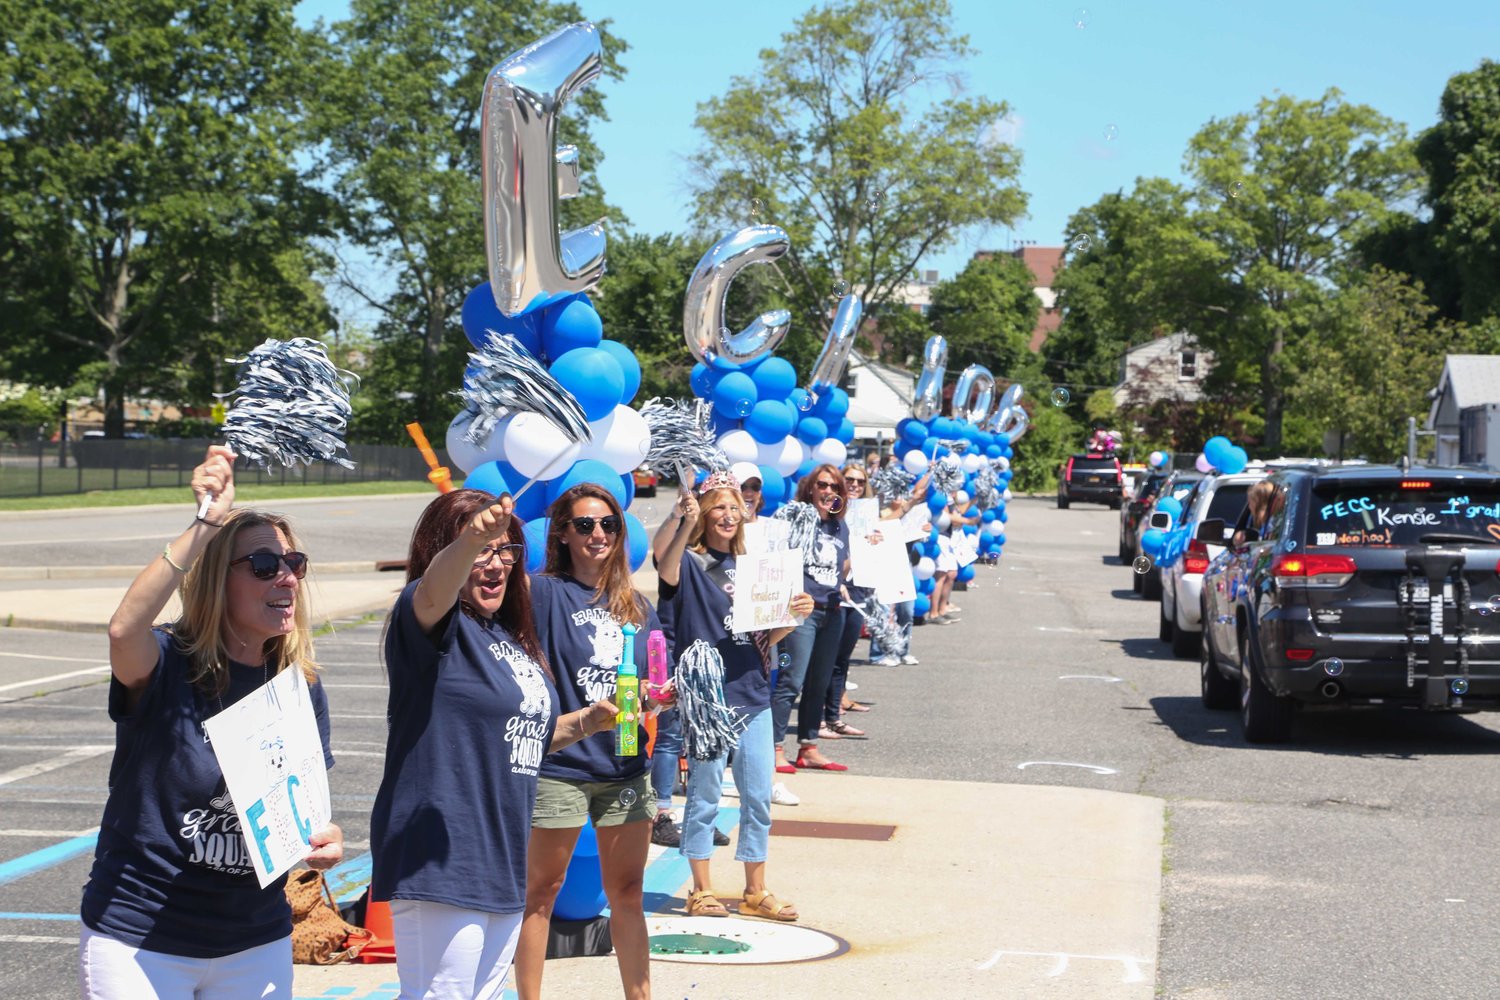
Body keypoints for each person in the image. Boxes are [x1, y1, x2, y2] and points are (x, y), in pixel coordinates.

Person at [80, 444, 343, 999]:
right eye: (265, 566)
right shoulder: (167, 664)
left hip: (255, 941)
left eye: (293, 565)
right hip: (143, 939)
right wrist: (205, 523)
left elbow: (303, 808)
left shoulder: (298, 687)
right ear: (217, 582)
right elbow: (122, 630)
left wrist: (324, 840)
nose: (287, 579)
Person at [369, 489, 618, 1000]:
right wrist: (470, 541)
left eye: (507, 551)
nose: (497, 563)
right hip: (439, 857)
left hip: (502, 857)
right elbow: (433, 589)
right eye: (483, 550)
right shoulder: (432, 625)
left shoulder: (504, 636)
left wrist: (589, 721)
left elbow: (523, 738)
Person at [515, 484, 662, 1000]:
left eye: (608, 524)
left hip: (625, 765)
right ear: (563, 533)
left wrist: (655, 696)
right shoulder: (544, 593)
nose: (597, 534)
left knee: (627, 893)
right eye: (584, 524)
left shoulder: (639, 607)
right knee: (541, 894)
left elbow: (653, 681)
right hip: (564, 765)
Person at [656, 471, 814, 921]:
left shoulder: (754, 568)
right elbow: (664, 566)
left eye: (733, 507)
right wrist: (684, 521)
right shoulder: (689, 562)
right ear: (705, 515)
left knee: (758, 796)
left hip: (753, 690)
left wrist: (793, 617)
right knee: (704, 795)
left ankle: (755, 889)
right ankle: (700, 890)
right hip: (708, 695)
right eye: (718, 508)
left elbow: (765, 638)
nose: (727, 515)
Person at [771, 464, 851, 772]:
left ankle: (808, 746)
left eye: (834, 487)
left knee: (819, 683)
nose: (828, 491)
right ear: (811, 488)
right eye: (822, 485)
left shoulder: (839, 526)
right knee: (792, 680)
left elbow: (840, 567)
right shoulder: (796, 519)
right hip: (802, 611)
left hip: (832, 610)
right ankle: (776, 748)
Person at [822, 463, 876, 736]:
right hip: (834, 591)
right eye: (850, 479)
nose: (855, 484)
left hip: (858, 590)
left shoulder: (868, 512)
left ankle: (834, 716)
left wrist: (877, 542)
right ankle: (820, 718)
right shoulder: (832, 511)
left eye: (860, 480)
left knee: (844, 658)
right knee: (826, 658)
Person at [1232, 480, 1278, 547]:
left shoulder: (1273, 525)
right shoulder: (1265, 524)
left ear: (1258, 503)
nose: (1249, 507)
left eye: (1250, 502)